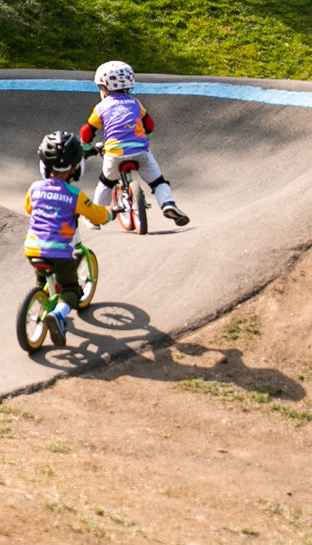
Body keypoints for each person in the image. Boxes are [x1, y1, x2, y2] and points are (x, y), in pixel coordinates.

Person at [76, 60, 190, 227]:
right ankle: (168, 204)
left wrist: (86, 147)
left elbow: (87, 131)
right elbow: (149, 124)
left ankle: (94, 218)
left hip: (115, 152)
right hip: (140, 151)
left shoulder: (101, 107)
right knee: (158, 182)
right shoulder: (135, 103)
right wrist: (145, 139)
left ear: (104, 88)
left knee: (106, 182)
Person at [24, 131, 110, 346]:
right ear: (76, 168)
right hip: (59, 252)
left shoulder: (34, 188)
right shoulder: (74, 195)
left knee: (43, 276)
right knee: (72, 289)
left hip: (32, 247)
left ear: (44, 166)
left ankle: (42, 296)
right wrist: (110, 213)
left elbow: (28, 207)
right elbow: (97, 215)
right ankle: (59, 314)